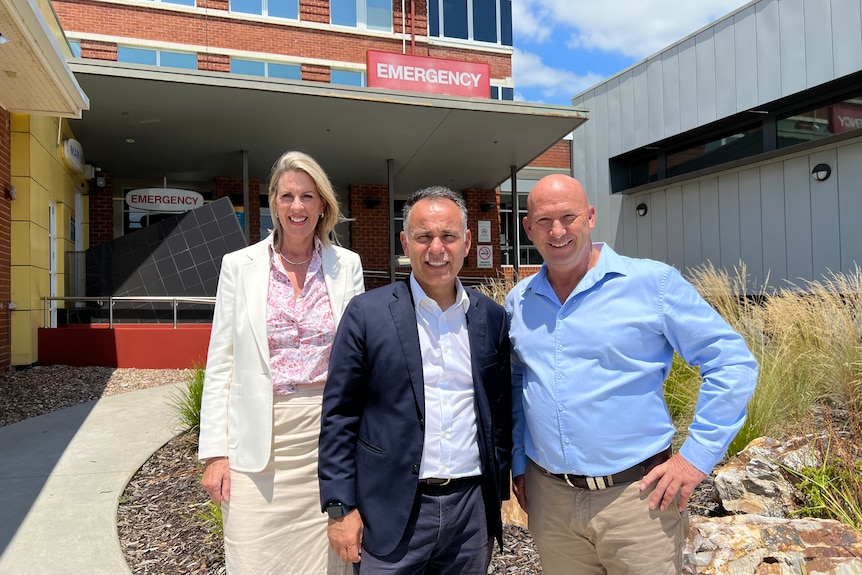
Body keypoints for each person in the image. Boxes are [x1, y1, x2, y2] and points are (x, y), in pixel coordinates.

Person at [506, 174, 758, 575]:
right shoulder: (519, 301)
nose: (557, 231)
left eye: (568, 217)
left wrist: (695, 459)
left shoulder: (652, 284)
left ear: (590, 217)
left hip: (639, 501)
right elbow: (518, 383)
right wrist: (519, 461)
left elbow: (732, 362)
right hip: (550, 503)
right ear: (527, 228)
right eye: (543, 221)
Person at [318, 186, 512, 574]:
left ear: (467, 242)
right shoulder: (367, 314)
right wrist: (340, 508)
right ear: (405, 242)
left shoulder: (491, 318)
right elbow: (339, 416)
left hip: (469, 513)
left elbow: (500, 410)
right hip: (390, 512)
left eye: (448, 236)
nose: (436, 248)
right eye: (423, 237)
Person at [198, 150, 364, 575]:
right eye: (288, 195)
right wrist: (215, 452)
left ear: (322, 204)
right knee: (252, 557)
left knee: (327, 563)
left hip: (326, 438)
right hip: (256, 442)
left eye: (308, 196)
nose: (297, 206)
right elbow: (221, 363)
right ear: (273, 202)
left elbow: (359, 357)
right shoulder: (238, 267)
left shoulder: (347, 266)